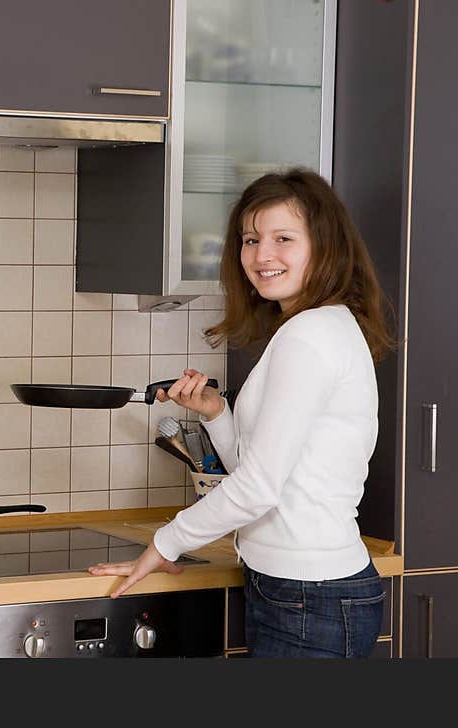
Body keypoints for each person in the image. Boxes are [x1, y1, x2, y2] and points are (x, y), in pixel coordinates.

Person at [89, 168, 393, 658]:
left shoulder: (310, 335)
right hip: (299, 590)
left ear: (326, 246)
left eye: (283, 238)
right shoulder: (318, 327)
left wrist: (166, 544)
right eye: (251, 239)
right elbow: (263, 473)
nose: (261, 255)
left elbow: (258, 489)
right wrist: (216, 413)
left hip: (308, 597)